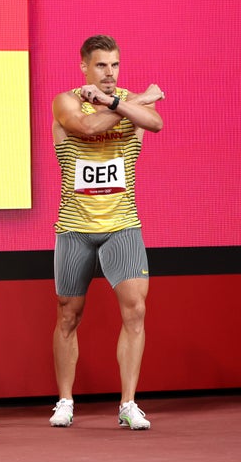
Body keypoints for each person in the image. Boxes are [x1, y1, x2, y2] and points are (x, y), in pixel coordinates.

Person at [49, 35, 164, 430]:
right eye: (101, 66)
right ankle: (64, 400)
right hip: (74, 227)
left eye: (114, 65)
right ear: (84, 66)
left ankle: (128, 404)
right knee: (68, 314)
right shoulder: (66, 100)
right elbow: (85, 128)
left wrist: (119, 101)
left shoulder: (126, 99)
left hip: (122, 226)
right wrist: (138, 101)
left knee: (136, 311)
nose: (109, 73)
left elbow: (157, 123)